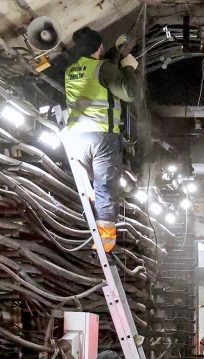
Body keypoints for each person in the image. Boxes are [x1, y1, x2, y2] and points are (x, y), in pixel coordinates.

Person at [64, 26, 139, 253]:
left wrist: (116, 51)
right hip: (102, 137)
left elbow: (97, 74)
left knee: (90, 188)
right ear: (98, 48)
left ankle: (84, 229)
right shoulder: (103, 67)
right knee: (105, 187)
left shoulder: (71, 70)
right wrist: (129, 67)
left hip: (76, 138)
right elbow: (128, 92)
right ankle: (105, 244)